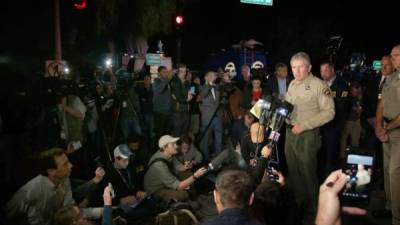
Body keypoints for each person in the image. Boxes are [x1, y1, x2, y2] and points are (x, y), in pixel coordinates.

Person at [285, 52, 334, 225]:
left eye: (301, 67)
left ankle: (315, 210)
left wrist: (304, 125)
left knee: (308, 173)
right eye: (294, 67)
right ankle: (300, 204)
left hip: (307, 135)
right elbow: (288, 107)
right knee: (294, 170)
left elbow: (329, 112)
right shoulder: (291, 84)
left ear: (309, 67)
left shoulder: (320, 85)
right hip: (290, 133)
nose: (297, 71)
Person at [4, 148, 102, 225]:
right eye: (65, 164)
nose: (71, 165)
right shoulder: (32, 190)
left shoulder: (65, 179)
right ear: (51, 172)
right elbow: (7, 214)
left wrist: (107, 209)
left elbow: (72, 212)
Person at [375, 45, 400, 225]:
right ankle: (390, 208)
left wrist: (386, 128)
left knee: (395, 172)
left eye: (397, 55)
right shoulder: (392, 78)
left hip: (397, 131)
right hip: (387, 128)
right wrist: (378, 126)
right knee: (386, 170)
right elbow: (382, 104)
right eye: (392, 56)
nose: (393, 59)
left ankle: (397, 218)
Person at [144, 135, 208, 202]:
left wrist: (186, 166)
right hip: (156, 189)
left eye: (175, 143)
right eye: (172, 144)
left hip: (165, 182)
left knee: (188, 174)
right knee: (184, 194)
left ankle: (193, 193)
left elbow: (179, 167)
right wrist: (195, 176)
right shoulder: (159, 164)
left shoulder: (168, 153)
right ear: (165, 147)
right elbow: (178, 186)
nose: (176, 146)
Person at [319, 60, 350, 178]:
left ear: (332, 70)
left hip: (334, 125)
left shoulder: (342, 84)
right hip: (321, 124)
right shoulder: (321, 84)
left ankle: (331, 177)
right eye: (321, 71)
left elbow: (341, 104)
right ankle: (321, 176)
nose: (323, 73)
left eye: (325, 70)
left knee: (332, 152)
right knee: (322, 152)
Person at [199, 71, 223, 161]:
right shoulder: (202, 87)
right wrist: (209, 83)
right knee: (205, 140)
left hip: (217, 117)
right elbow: (203, 94)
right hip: (207, 118)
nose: (214, 77)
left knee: (219, 140)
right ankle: (206, 160)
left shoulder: (216, 87)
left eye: (214, 75)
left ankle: (218, 159)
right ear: (206, 77)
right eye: (211, 75)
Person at [170, 64, 193, 137]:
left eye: (185, 71)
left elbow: (192, 89)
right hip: (177, 111)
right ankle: (176, 147)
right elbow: (177, 96)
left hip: (186, 110)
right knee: (177, 132)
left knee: (185, 132)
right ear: (178, 71)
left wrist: (192, 94)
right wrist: (187, 99)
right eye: (181, 71)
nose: (184, 73)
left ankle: (183, 146)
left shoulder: (187, 82)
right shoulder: (174, 81)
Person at [152, 66, 173, 143]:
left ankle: (165, 151)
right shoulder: (156, 82)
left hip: (168, 112)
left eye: (166, 71)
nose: (166, 73)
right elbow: (158, 90)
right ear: (159, 73)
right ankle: (157, 151)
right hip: (160, 112)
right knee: (159, 134)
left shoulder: (168, 83)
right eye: (164, 72)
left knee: (166, 134)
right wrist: (167, 79)